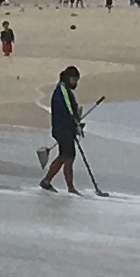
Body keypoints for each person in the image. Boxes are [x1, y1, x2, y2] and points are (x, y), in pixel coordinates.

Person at [39, 62, 90, 195]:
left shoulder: (64, 90)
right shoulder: (63, 91)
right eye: (74, 80)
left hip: (64, 128)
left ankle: (56, 183)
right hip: (63, 129)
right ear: (68, 78)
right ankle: (57, 184)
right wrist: (75, 122)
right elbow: (68, 111)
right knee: (66, 156)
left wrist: (75, 122)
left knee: (67, 156)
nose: (75, 83)